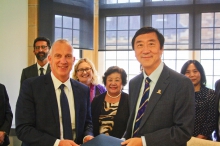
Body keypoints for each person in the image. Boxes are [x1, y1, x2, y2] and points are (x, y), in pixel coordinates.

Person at [121, 26, 195, 146]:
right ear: (134, 52)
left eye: (151, 44)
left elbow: (183, 131)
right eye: (139, 45)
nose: (145, 50)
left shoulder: (181, 83)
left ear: (161, 49)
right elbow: (135, 123)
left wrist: (144, 142)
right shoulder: (134, 83)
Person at [16, 39, 93, 146]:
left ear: (73, 60)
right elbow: (23, 129)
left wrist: (87, 136)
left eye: (68, 56)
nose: (63, 61)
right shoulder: (31, 86)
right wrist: (57, 143)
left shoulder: (83, 90)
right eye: (58, 56)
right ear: (50, 59)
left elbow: (87, 123)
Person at [180, 60, 216, 140]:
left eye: (195, 71)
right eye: (187, 72)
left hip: (203, 141)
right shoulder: (179, 94)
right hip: (180, 139)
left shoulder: (210, 94)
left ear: (201, 73)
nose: (192, 75)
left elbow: (211, 121)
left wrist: (196, 140)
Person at [91, 66, 129, 138]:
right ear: (105, 81)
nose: (113, 83)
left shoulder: (129, 100)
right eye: (110, 80)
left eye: (117, 80)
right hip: (98, 143)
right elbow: (90, 123)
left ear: (123, 82)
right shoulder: (97, 100)